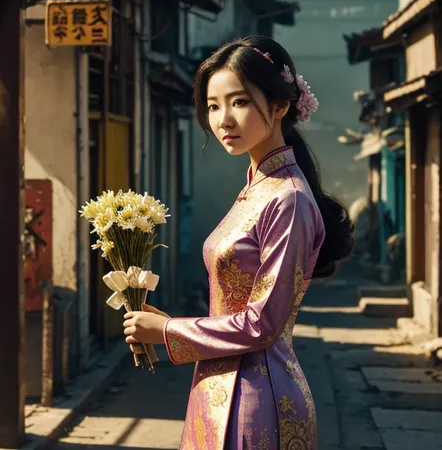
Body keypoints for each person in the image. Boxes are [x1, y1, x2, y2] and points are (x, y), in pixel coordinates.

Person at [123, 35, 354, 449]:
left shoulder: (289, 198)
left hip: (257, 401)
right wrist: (162, 324)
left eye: (240, 102)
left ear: (281, 105)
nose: (223, 119)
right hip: (216, 388)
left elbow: (263, 324)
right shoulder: (257, 187)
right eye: (213, 106)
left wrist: (169, 330)